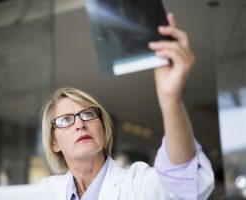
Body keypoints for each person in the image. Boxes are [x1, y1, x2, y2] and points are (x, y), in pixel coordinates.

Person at [39, 13, 215, 200]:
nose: (80, 124)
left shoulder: (137, 184)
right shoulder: (45, 192)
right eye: (65, 119)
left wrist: (170, 98)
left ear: (103, 128)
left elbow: (181, 178)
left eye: (88, 114)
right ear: (53, 142)